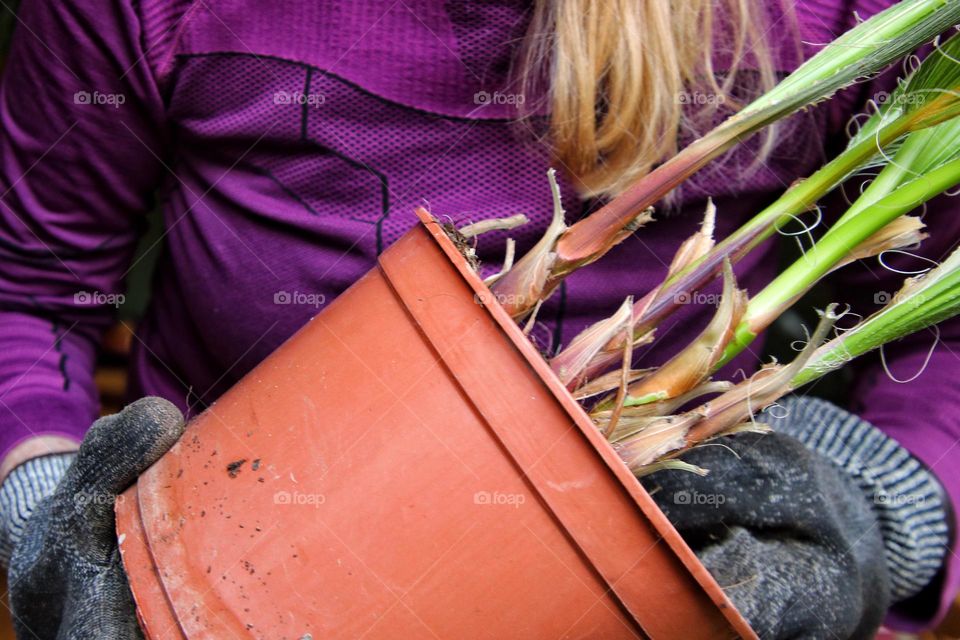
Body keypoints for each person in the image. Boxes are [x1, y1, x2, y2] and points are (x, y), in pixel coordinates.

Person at [0, 0, 956, 638]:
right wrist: (47, 521)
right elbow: (30, 286)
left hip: (636, 593)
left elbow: (945, 326)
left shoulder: (845, 17)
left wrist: (879, 506)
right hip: (215, 572)